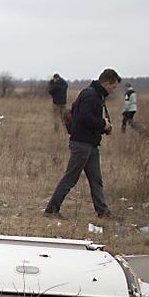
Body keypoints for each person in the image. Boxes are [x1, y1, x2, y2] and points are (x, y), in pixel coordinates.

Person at [44, 68, 122, 219]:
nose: (113, 90)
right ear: (106, 83)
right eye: (113, 87)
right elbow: (84, 118)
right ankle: (51, 210)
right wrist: (103, 124)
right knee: (71, 178)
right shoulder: (90, 95)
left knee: (96, 180)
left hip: (91, 144)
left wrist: (104, 128)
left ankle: (103, 212)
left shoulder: (96, 95)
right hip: (81, 144)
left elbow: (86, 120)